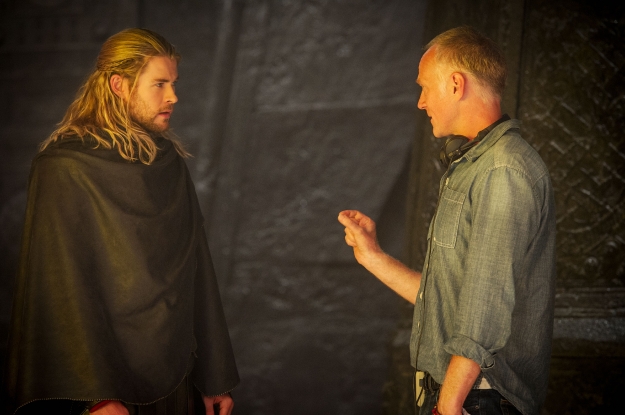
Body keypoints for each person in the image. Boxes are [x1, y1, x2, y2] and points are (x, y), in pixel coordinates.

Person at [5, 28, 239, 415]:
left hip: (178, 374)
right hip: (102, 388)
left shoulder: (168, 163)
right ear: (119, 85)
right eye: (159, 84)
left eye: (174, 83)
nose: (173, 97)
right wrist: (97, 395)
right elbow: (60, 286)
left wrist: (215, 376)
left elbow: (197, 268)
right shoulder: (64, 167)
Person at [338, 26, 555, 415]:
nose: (421, 102)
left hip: (476, 399)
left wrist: (449, 404)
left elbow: (483, 308)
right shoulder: (476, 165)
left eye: (425, 87)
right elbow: (448, 301)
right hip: (464, 396)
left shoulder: (503, 170)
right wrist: (373, 256)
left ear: (456, 84)